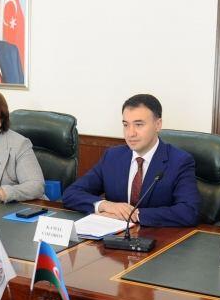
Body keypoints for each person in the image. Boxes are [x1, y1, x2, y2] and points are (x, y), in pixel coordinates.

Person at [63, 94, 200, 227]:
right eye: (126, 125)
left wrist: (134, 215)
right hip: (112, 236)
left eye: (139, 125)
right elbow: (71, 194)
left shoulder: (179, 161)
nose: (130, 133)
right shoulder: (112, 156)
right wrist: (106, 205)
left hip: (157, 238)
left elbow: (189, 211)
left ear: (158, 125)